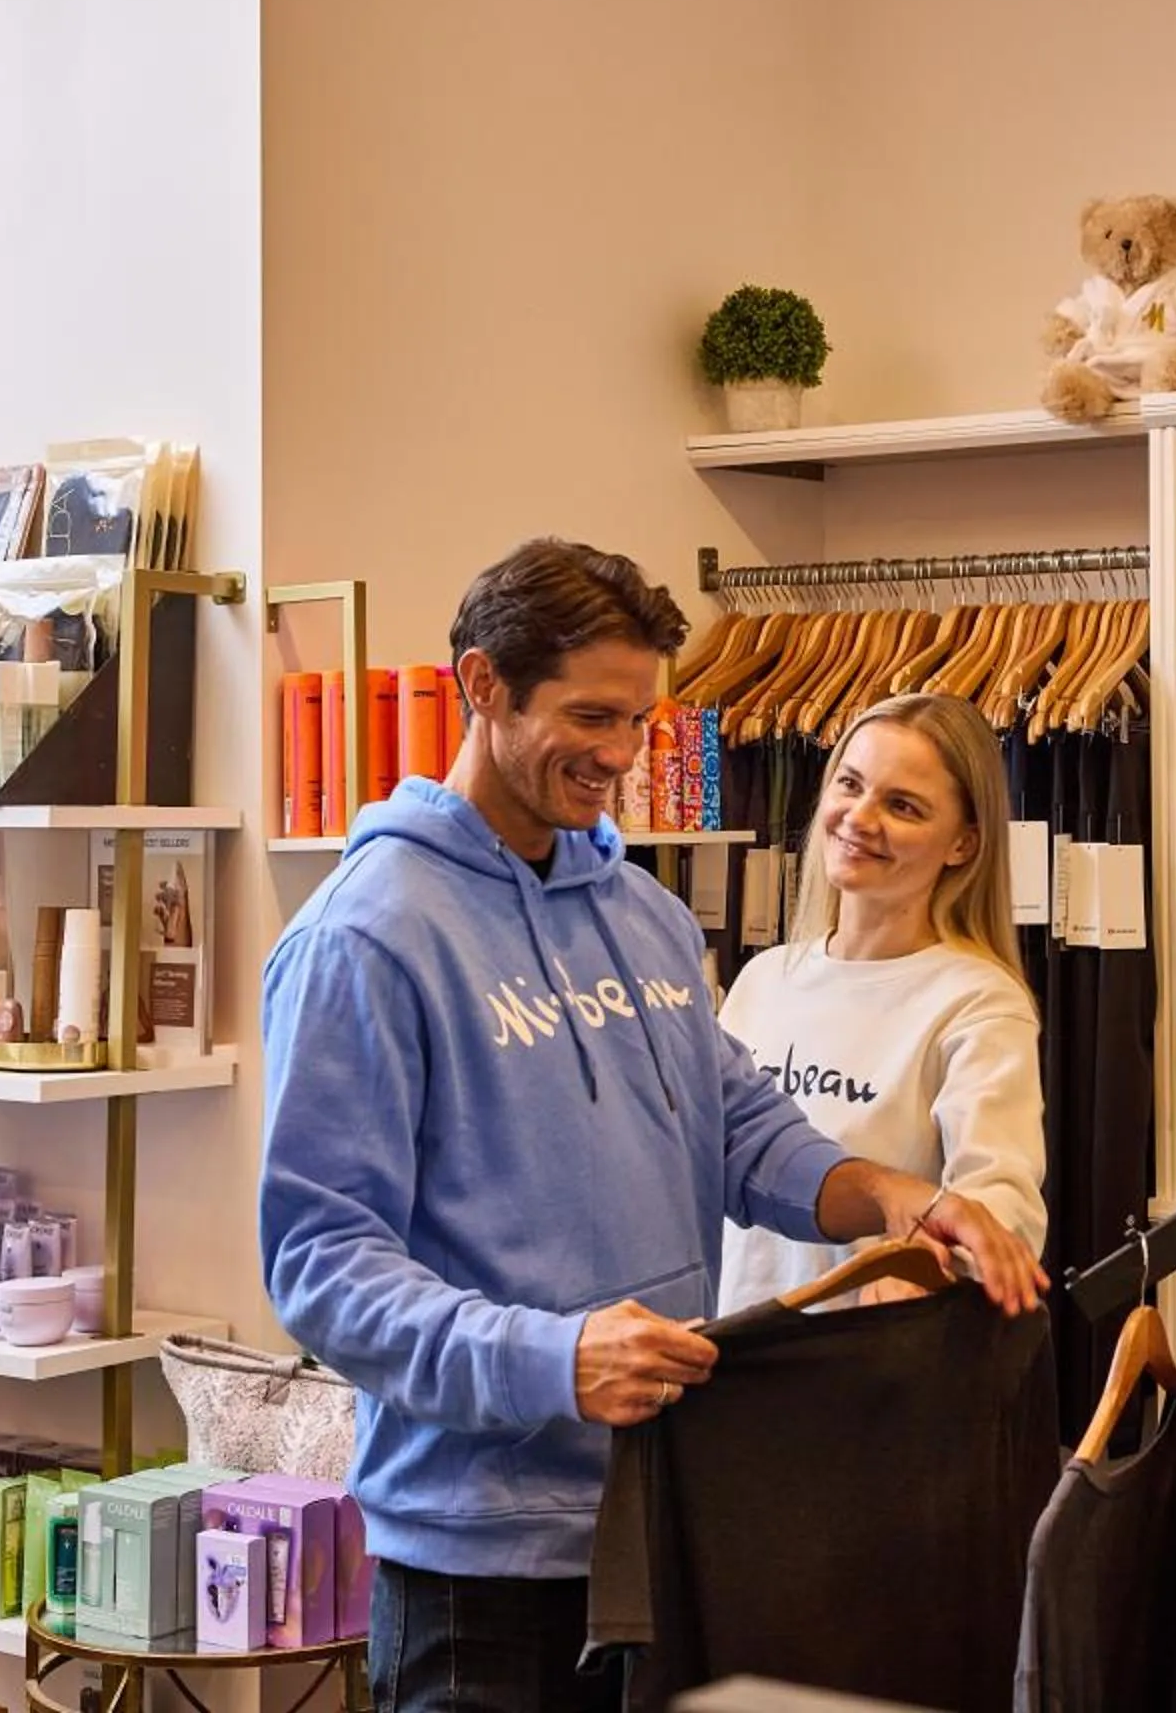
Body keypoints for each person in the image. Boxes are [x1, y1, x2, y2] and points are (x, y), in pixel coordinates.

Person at [259, 539, 1046, 1713]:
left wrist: (900, 1197)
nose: (623, 756)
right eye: (591, 716)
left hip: (674, 1516)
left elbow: (740, 1131)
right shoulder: (366, 937)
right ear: (482, 684)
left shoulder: (642, 914)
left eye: (639, 720)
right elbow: (322, 1268)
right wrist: (555, 1358)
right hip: (484, 1561)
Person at [717, 692, 1045, 1314]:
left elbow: (1003, 1205)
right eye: (850, 784)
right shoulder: (764, 980)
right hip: (729, 1358)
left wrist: (922, 1264)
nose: (860, 818)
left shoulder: (976, 1003)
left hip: (863, 1371)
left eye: (902, 806)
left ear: (963, 845)